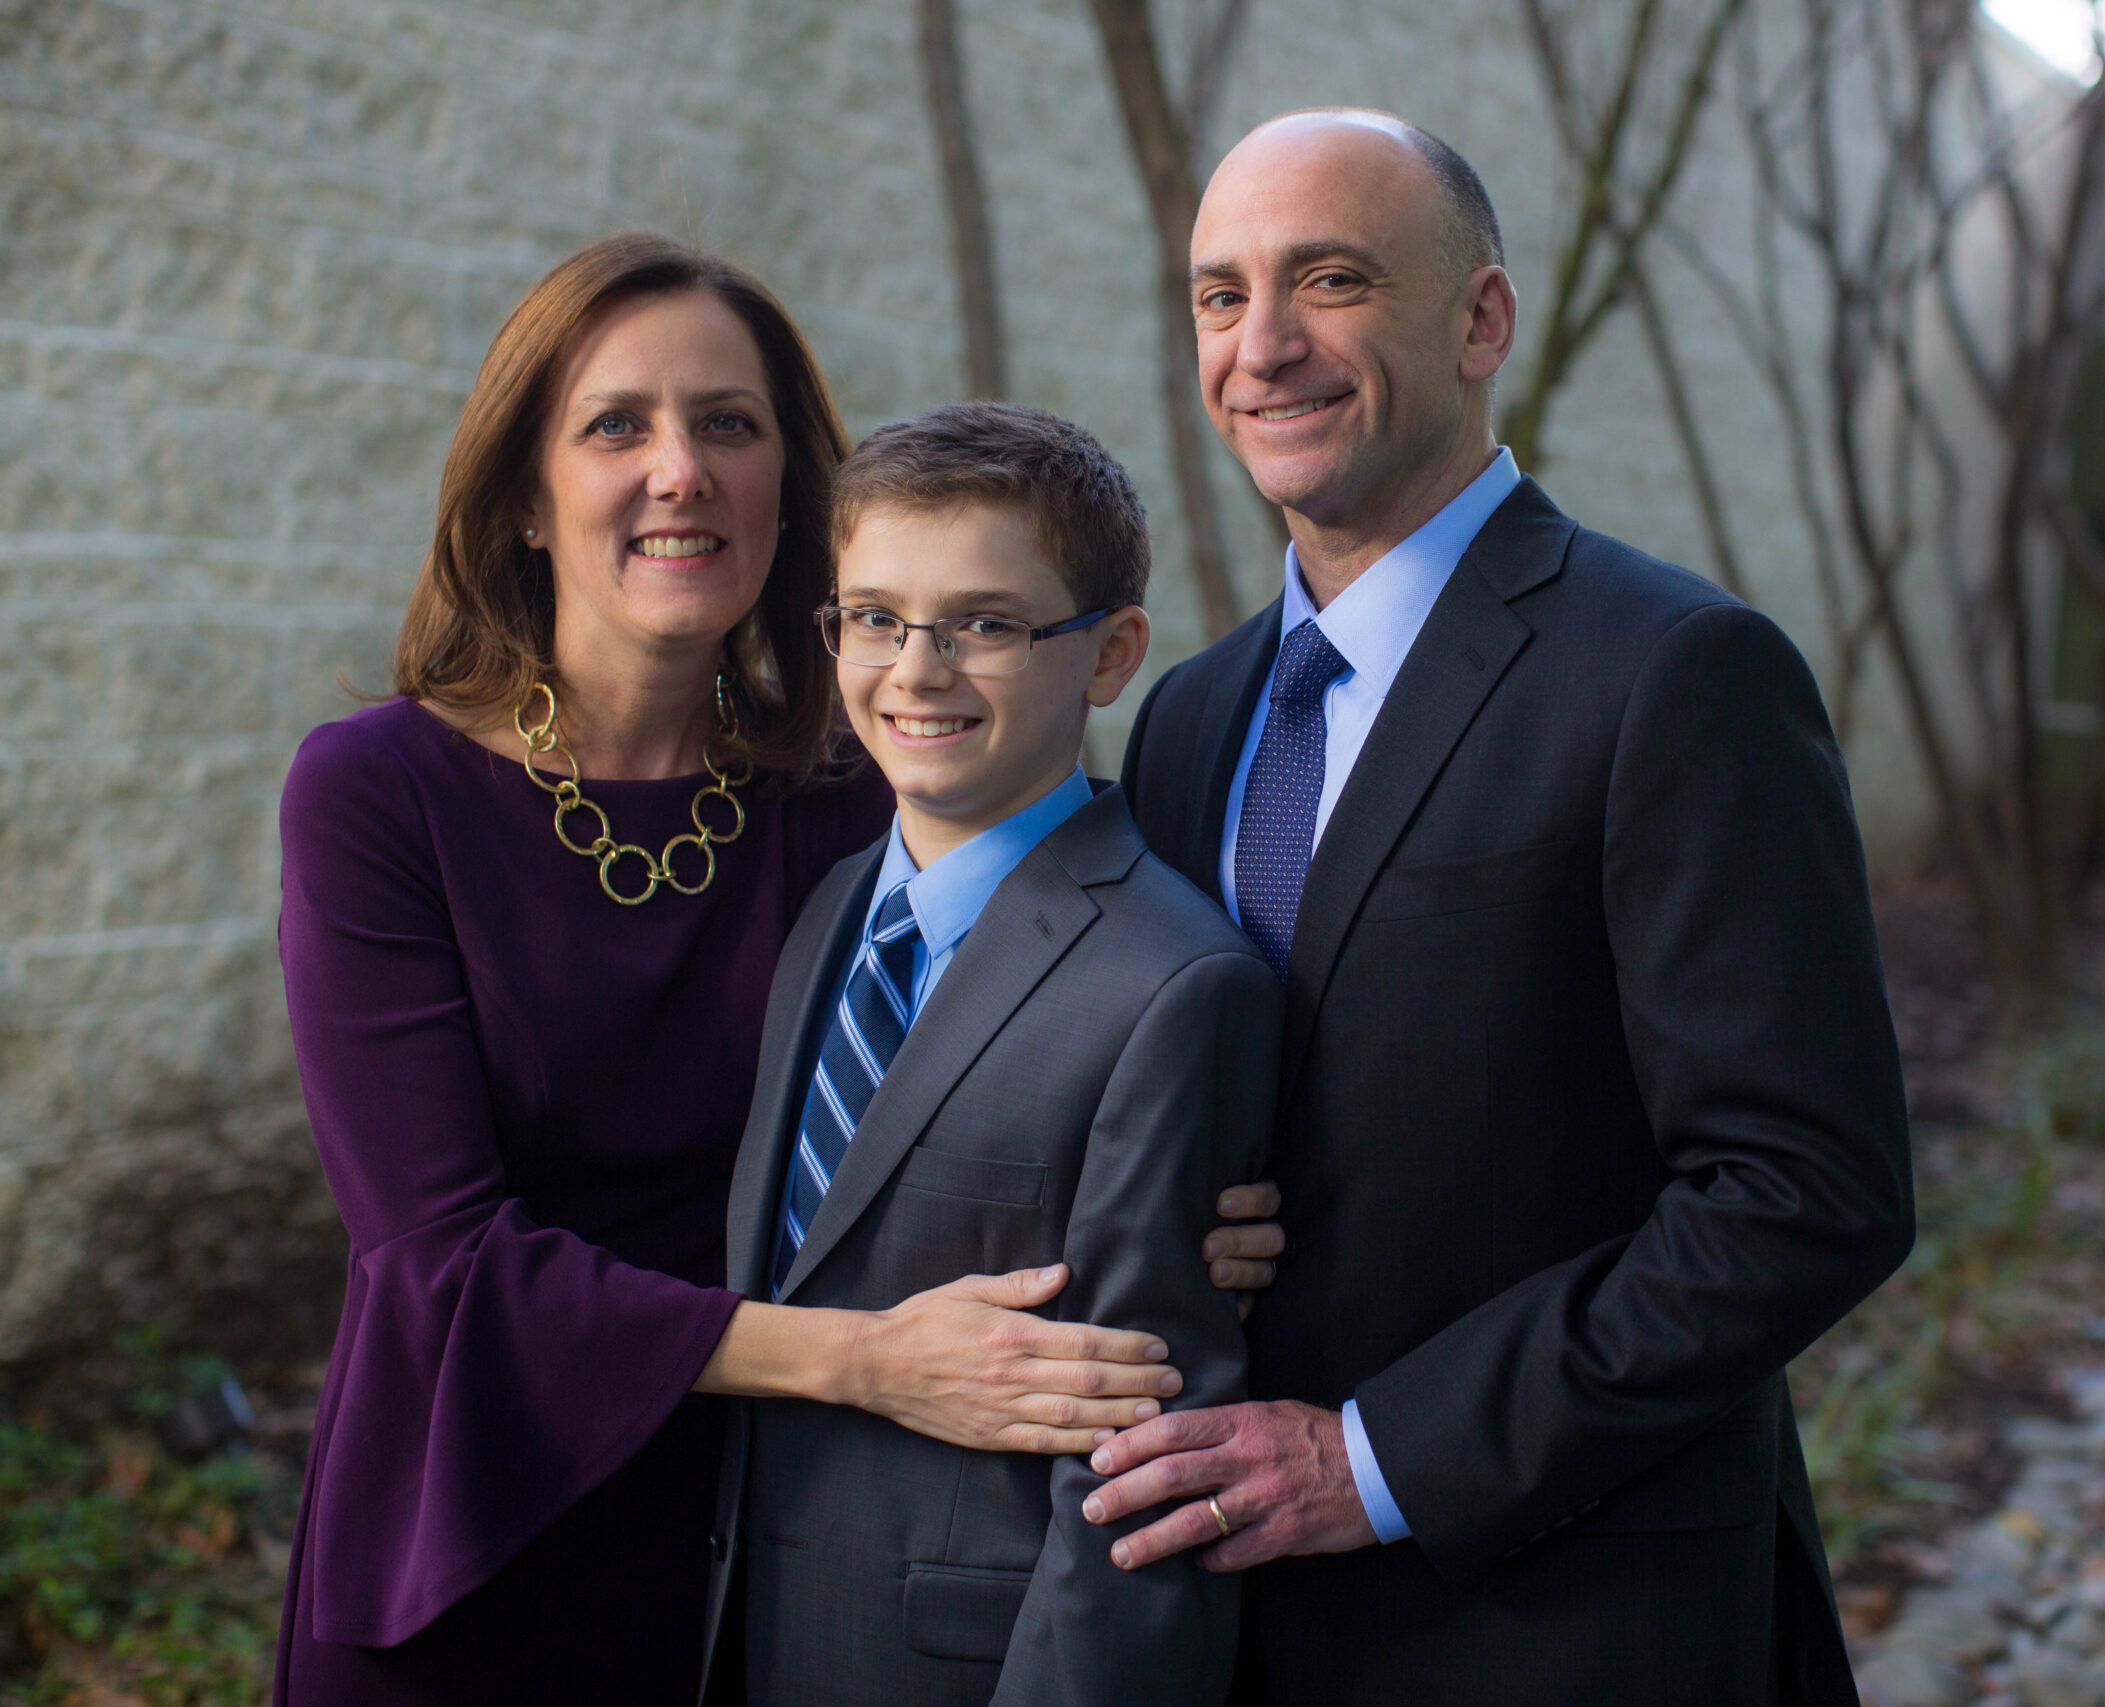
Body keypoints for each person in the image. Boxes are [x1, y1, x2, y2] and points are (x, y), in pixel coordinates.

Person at [272, 235, 1269, 1705]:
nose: (681, 470)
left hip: (761, 1564)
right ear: (526, 501)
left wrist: (1171, 1214)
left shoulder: (854, 806)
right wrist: (861, 1359)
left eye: (728, 424)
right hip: (475, 1544)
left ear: (791, 490)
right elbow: (442, 1264)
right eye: (617, 425)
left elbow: (986, 1131)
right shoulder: (378, 796)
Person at [1082, 111, 1917, 1705]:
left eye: (1328, 280)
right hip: (1223, 1633)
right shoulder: (1191, 716)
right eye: (1217, 294)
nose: (1262, 346)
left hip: (1558, 1622)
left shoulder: (1674, 675)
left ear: (1482, 321)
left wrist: (1379, 1460)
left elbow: (1804, 1190)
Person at [702, 402, 1275, 1707]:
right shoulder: (826, 912)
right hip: (756, 1633)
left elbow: (1144, 1479)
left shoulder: (1175, 985)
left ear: (1112, 653)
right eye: (874, 617)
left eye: (987, 623)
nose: (917, 669)